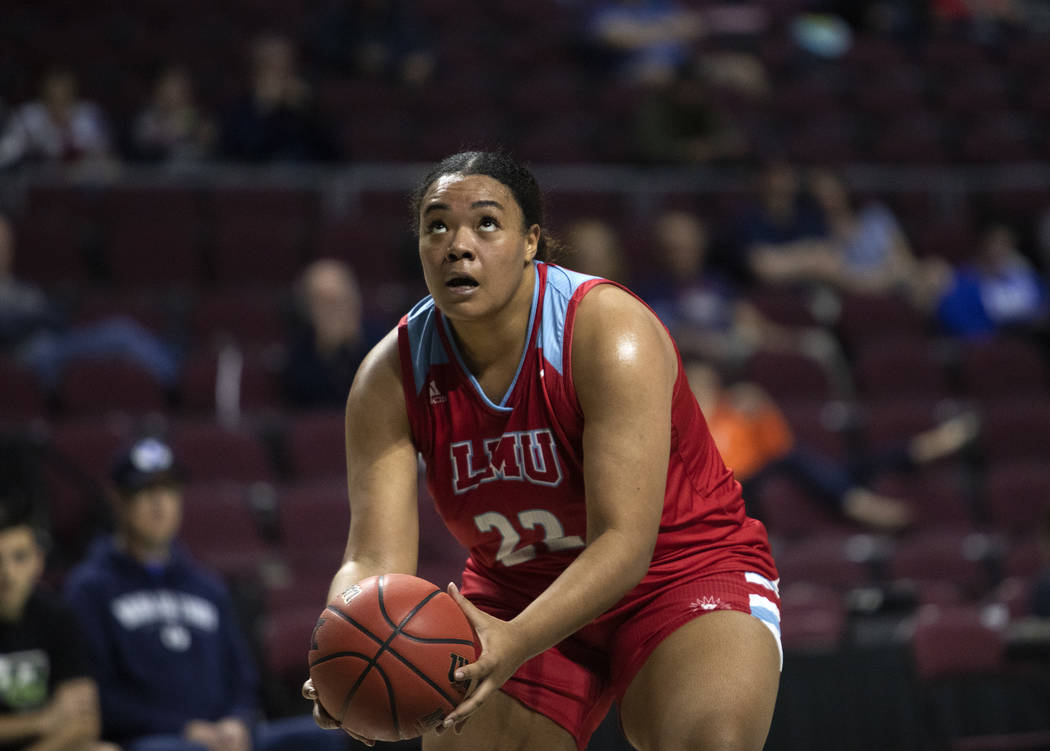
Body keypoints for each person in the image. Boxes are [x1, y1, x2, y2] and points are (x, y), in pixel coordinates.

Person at [303, 151, 782, 751]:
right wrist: (341, 643)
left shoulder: (608, 331)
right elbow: (374, 556)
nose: (457, 244)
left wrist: (517, 640)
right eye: (436, 226)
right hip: (513, 591)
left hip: (676, 569)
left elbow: (624, 544)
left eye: (484, 223)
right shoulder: (389, 377)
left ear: (531, 241)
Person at [62, 437, 346, 751]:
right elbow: (97, 695)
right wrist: (185, 729)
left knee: (319, 739)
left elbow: (242, 678)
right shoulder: (89, 589)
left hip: (224, 735)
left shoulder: (206, 585)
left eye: (168, 490)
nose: (160, 503)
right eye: (145, 490)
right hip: (151, 740)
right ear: (117, 500)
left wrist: (237, 721)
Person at [685, 361, 979, 532]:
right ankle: (859, 503)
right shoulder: (684, 424)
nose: (705, 392)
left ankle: (923, 448)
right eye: (696, 385)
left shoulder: (735, 414)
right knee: (801, 462)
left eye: (710, 386)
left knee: (846, 466)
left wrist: (763, 406)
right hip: (730, 488)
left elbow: (780, 443)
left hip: (767, 469)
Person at [0, 213, 180, 392]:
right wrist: (35, 318)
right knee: (119, 332)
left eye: (8, 244)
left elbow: (53, 317)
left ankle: (181, 363)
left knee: (123, 331)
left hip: (53, 343)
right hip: (31, 357)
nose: (6, 250)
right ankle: (178, 381)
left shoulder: (18, 287)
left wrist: (37, 317)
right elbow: (13, 327)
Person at [0, 494, 107, 751]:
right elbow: (56, 720)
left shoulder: (58, 617)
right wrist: (41, 721)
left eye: (19, 557)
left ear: (39, 560)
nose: (7, 573)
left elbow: (87, 723)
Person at [220, 33, 339, 163]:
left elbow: (333, 156)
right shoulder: (238, 112)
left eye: (287, 68)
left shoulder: (308, 109)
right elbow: (237, 156)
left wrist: (307, 111)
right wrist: (267, 108)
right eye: (272, 67)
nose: (282, 76)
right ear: (255, 72)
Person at [282, 258, 375, 409]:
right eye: (325, 303)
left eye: (341, 300)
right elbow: (300, 403)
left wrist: (354, 345)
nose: (336, 310)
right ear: (308, 310)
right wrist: (327, 351)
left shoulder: (384, 342)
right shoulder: (298, 353)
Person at [0, 68, 112, 170]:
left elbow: (103, 150)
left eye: (64, 94)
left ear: (72, 92)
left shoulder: (88, 114)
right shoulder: (29, 116)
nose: (58, 98)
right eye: (53, 95)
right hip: (39, 174)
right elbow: (8, 150)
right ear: (44, 92)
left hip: (82, 176)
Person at [131, 65, 216, 163]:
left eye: (182, 87)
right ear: (160, 89)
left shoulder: (201, 117)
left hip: (194, 173)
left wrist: (200, 134)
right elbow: (143, 146)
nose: (177, 92)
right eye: (172, 87)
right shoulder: (149, 118)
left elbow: (208, 146)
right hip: (157, 175)